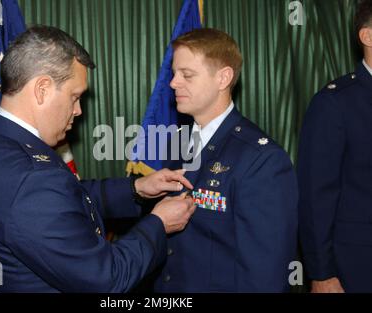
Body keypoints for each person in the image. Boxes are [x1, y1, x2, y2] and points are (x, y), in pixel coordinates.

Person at [0, 25, 196, 293]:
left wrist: (137, 188)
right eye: (74, 97)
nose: (78, 110)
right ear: (42, 89)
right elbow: (107, 278)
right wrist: (158, 224)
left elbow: (66, 198)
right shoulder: (32, 178)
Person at [151, 28, 298, 292]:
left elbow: (265, 274)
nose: (173, 83)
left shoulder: (261, 159)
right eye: (174, 73)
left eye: (187, 75)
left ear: (223, 78)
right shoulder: (178, 141)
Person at [298, 0, 372, 293]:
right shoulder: (335, 102)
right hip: (357, 266)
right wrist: (321, 273)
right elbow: (316, 196)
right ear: (367, 37)